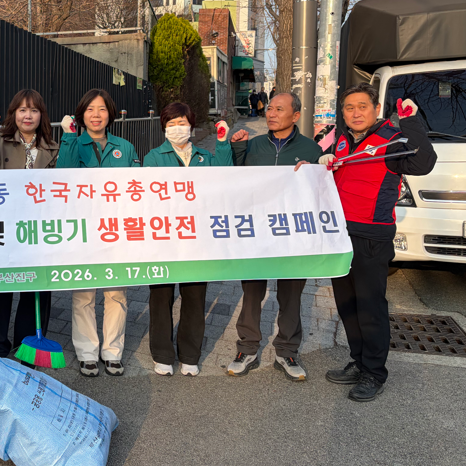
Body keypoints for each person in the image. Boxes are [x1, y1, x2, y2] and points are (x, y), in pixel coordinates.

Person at [318, 84, 436, 401]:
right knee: (347, 305)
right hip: (339, 235)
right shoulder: (340, 138)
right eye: (349, 107)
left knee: (370, 307)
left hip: (372, 236)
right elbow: (323, 165)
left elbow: (424, 163)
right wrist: (321, 160)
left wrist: (411, 121)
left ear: (375, 107)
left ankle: (374, 373)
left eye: (362, 106)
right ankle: (358, 362)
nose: (355, 113)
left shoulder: (392, 139)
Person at [227, 92, 323, 381]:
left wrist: (314, 174)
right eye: (269, 108)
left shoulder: (312, 149)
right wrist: (235, 149)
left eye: (279, 109)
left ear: (295, 116)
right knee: (252, 292)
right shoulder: (253, 144)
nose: (270, 113)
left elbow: (320, 193)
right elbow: (233, 181)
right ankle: (247, 348)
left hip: (293, 233)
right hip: (257, 233)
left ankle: (287, 350)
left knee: (291, 295)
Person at [143, 103, 233, 377]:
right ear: (164, 129)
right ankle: (162, 354)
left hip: (197, 240)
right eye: (170, 124)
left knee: (194, 297)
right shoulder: (153, 157)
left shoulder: (206, 157)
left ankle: (190, 355)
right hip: (163, 239)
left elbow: (226, 178)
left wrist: (223, 142)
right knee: (160, 298)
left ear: (192, 126)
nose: (176, 128)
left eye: (181, 122)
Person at [56, 89, 139, 377]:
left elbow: (137, 187)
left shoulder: (125, 147)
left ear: (110, 114)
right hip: (83, 231)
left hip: (117, 230)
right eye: (90, 109)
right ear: (81, 115)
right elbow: (62, 178)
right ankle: (87, 353)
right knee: (83, 294)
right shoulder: (71, 143)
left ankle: (112, 352)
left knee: (117, 293)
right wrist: (67, 138)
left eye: (101, 109)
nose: (96, 115)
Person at [0, 90, 59, 361]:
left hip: (39, 226)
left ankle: (28, 344)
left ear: (41, 115)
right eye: (22, 110)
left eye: (34, 110)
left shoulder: (52, 146)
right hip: (4, 222)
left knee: (36, 285)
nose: (28, 115)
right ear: (13, 114)